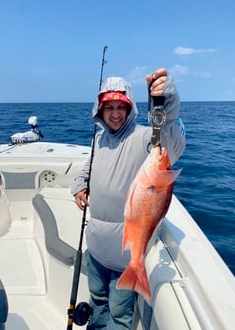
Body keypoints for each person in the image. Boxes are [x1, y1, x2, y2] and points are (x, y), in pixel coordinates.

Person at [71, 68, 185, 330]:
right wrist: (79, 185)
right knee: (97, 303)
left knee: (119, 316)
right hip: (96, 249)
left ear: (130, 108)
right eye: (108, 107)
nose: (114, 113)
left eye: (120, 107)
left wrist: (166, 102)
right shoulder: (99, 140)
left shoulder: (145, 138)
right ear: (99, 111)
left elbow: (170, 141)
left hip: (125, 258)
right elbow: (90, 167)